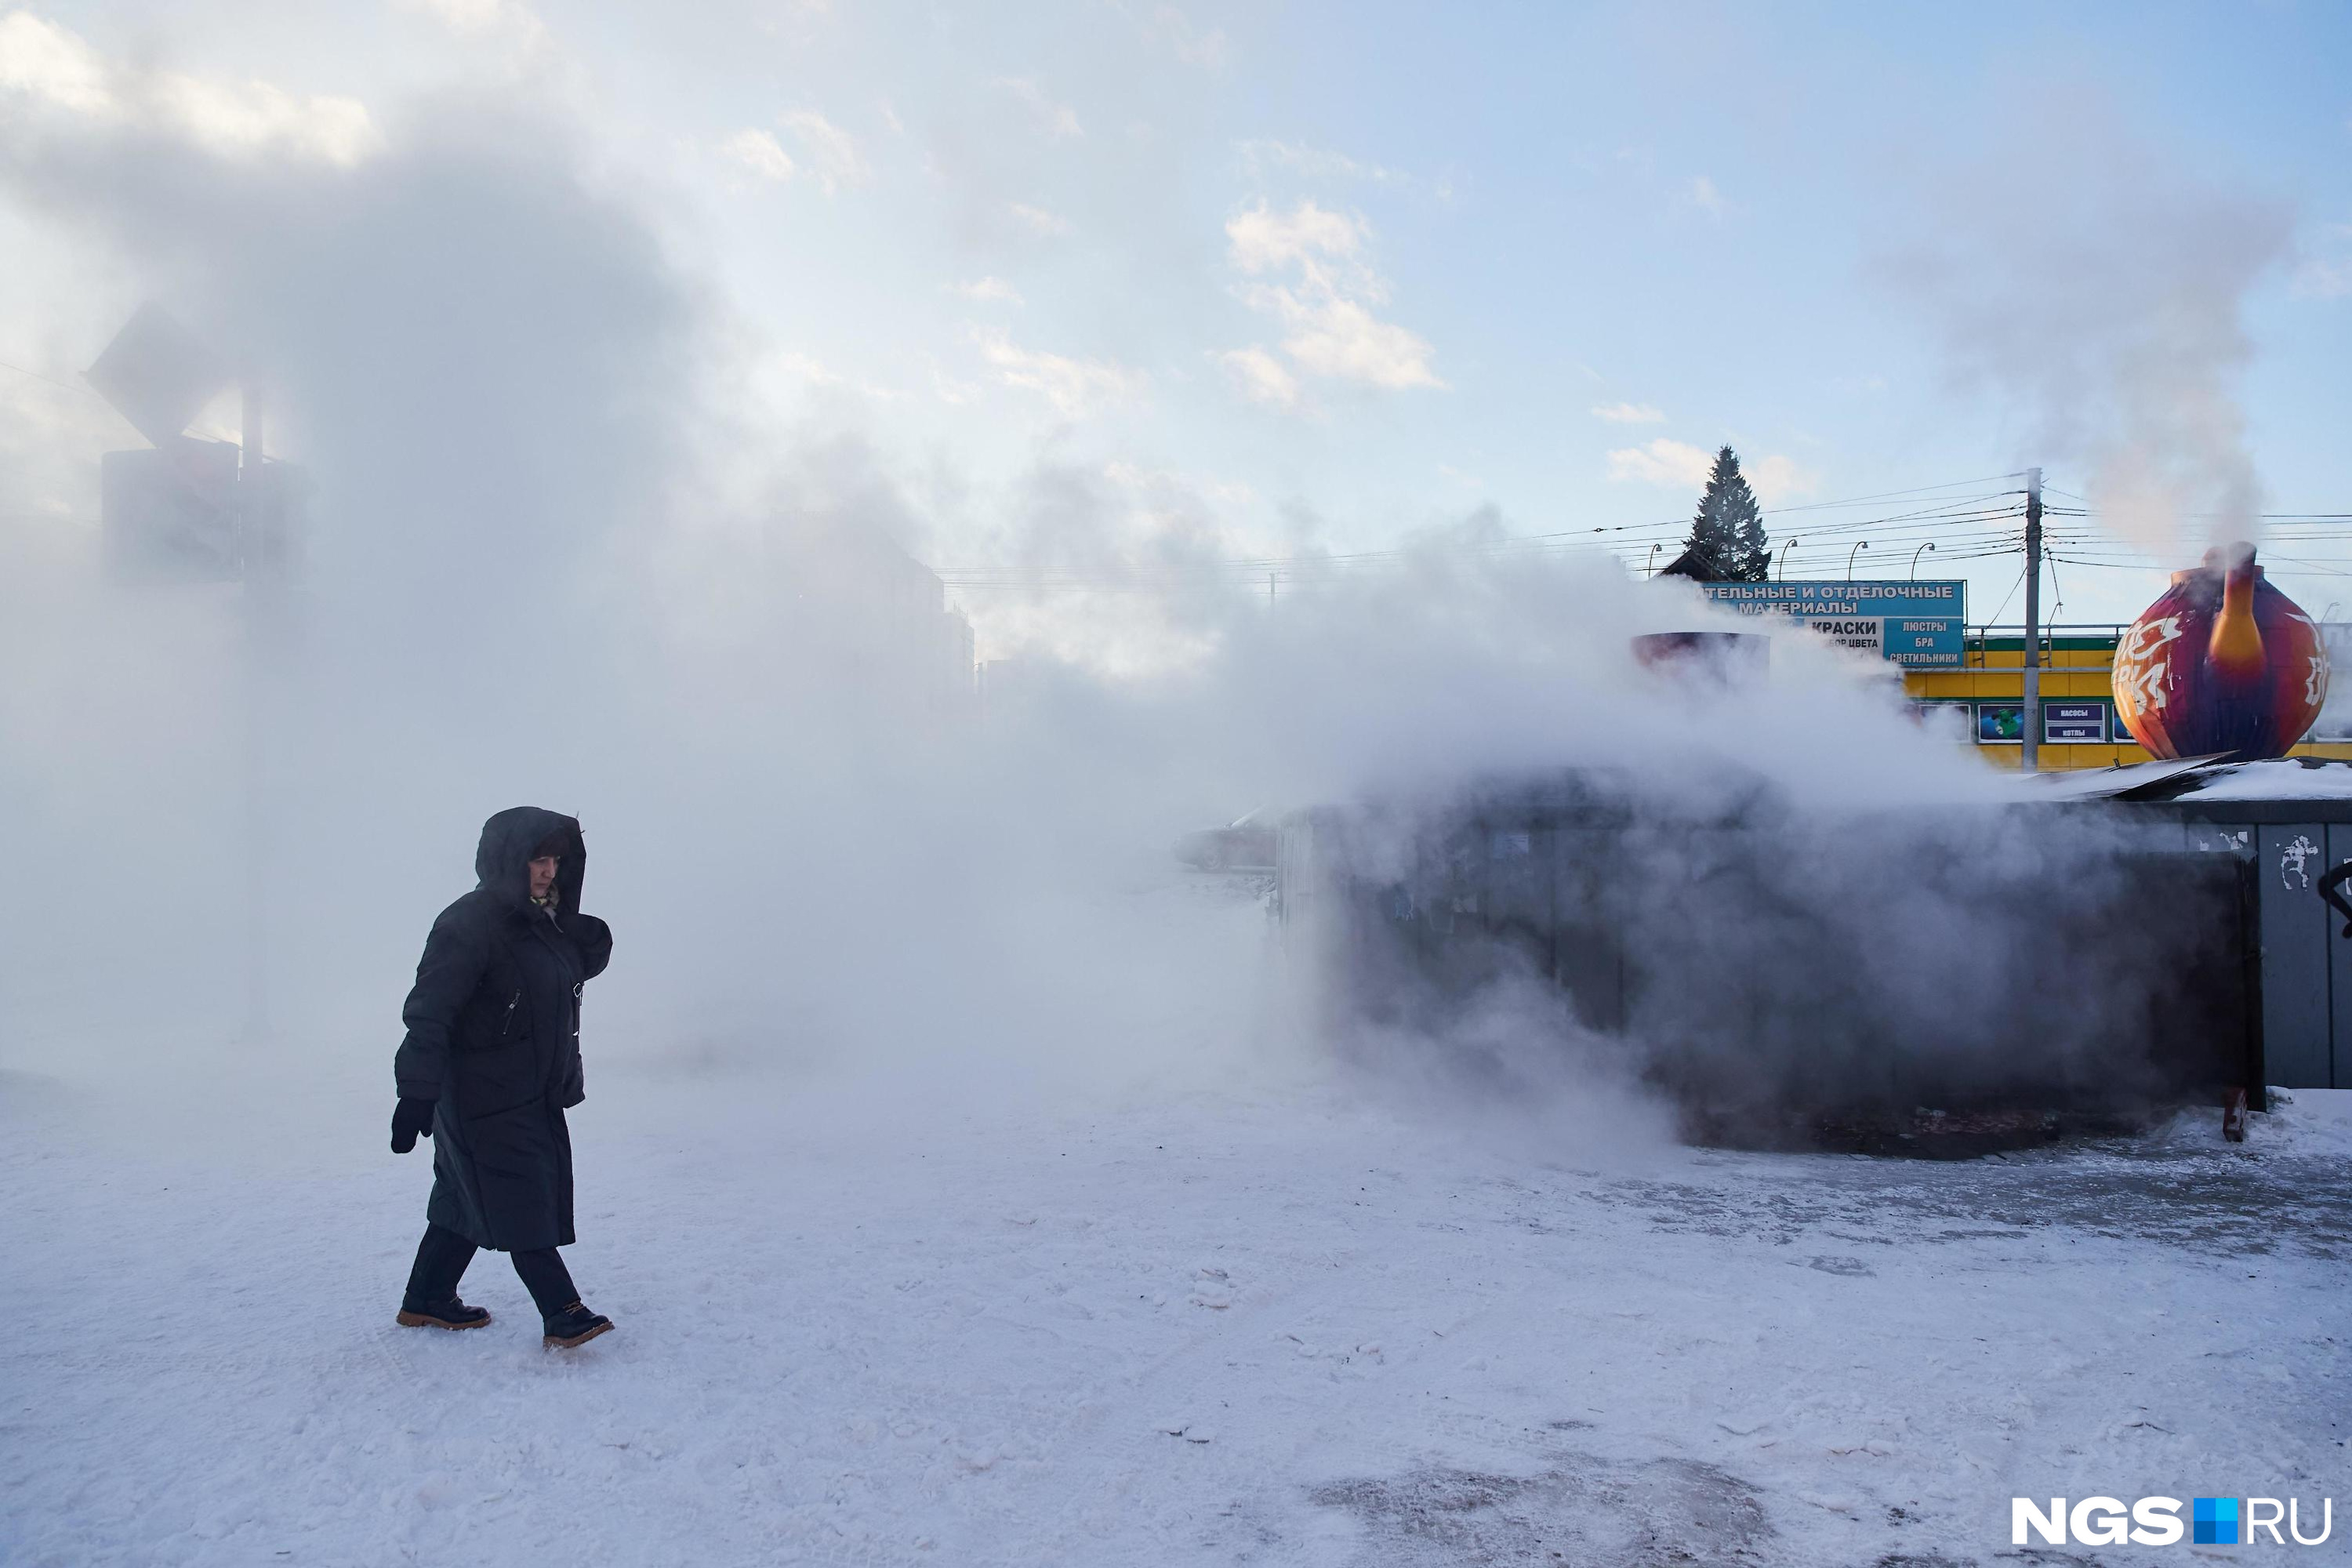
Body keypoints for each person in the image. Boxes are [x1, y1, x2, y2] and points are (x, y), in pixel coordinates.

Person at [390, 807, 615, 1348]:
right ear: (506, 859)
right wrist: (415, 1093)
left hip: (530, 1089)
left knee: (462, 1195)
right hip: (479, 1094)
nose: (548, 871)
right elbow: (430, 1011)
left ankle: (427, 1298)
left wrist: (580, 935)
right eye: (538, 859)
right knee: (519, 1196)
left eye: (557, 860)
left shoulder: (543, 924)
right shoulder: (467, 924)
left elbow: (559, 986)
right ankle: (563, 1312)